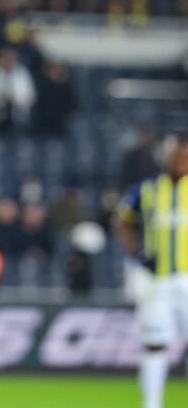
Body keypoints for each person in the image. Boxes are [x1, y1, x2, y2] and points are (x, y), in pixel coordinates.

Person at [114, 135, 188, 408]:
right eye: (178, 155)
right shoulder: (148, 189)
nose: (182, 161)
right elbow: (121, 219)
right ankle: (152, 404)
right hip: (157, 280)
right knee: (154, 343)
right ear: (166, 157)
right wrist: (138, 253)